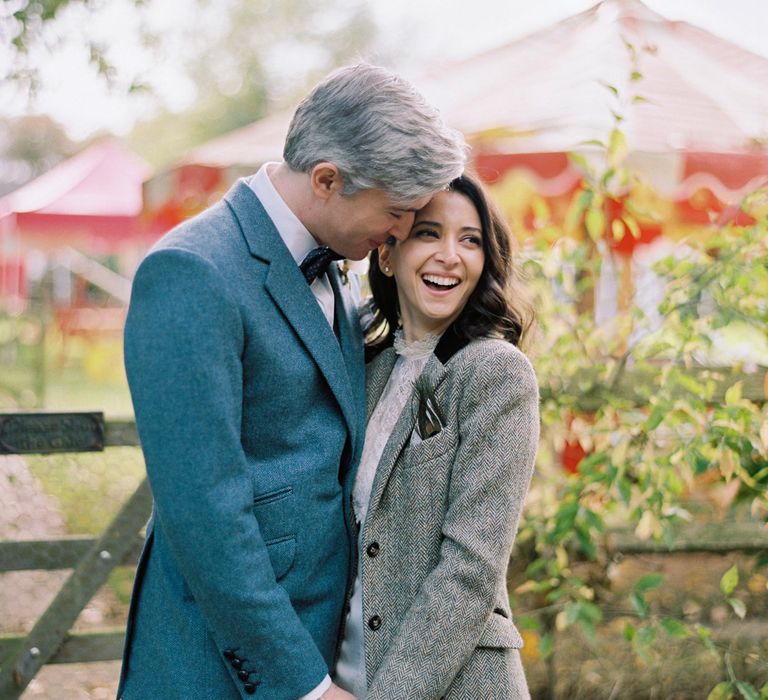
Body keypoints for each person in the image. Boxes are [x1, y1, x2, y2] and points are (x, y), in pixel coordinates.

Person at [117, 63, 466, 700]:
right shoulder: (190, 272)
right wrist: (301, 685)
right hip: (221, 664)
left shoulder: (336, 265)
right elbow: (207, 517)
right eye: (396, 212)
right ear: (328, 179)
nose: (399, 233)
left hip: (328, 643)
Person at [335, 173, 539, 699]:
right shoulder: (365, 370)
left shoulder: (496, 374)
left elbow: (471, 569)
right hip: (347, 671)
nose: (450, 255)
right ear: (387, 254)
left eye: (469, 240)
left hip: (455, 681)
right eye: (429, 233)